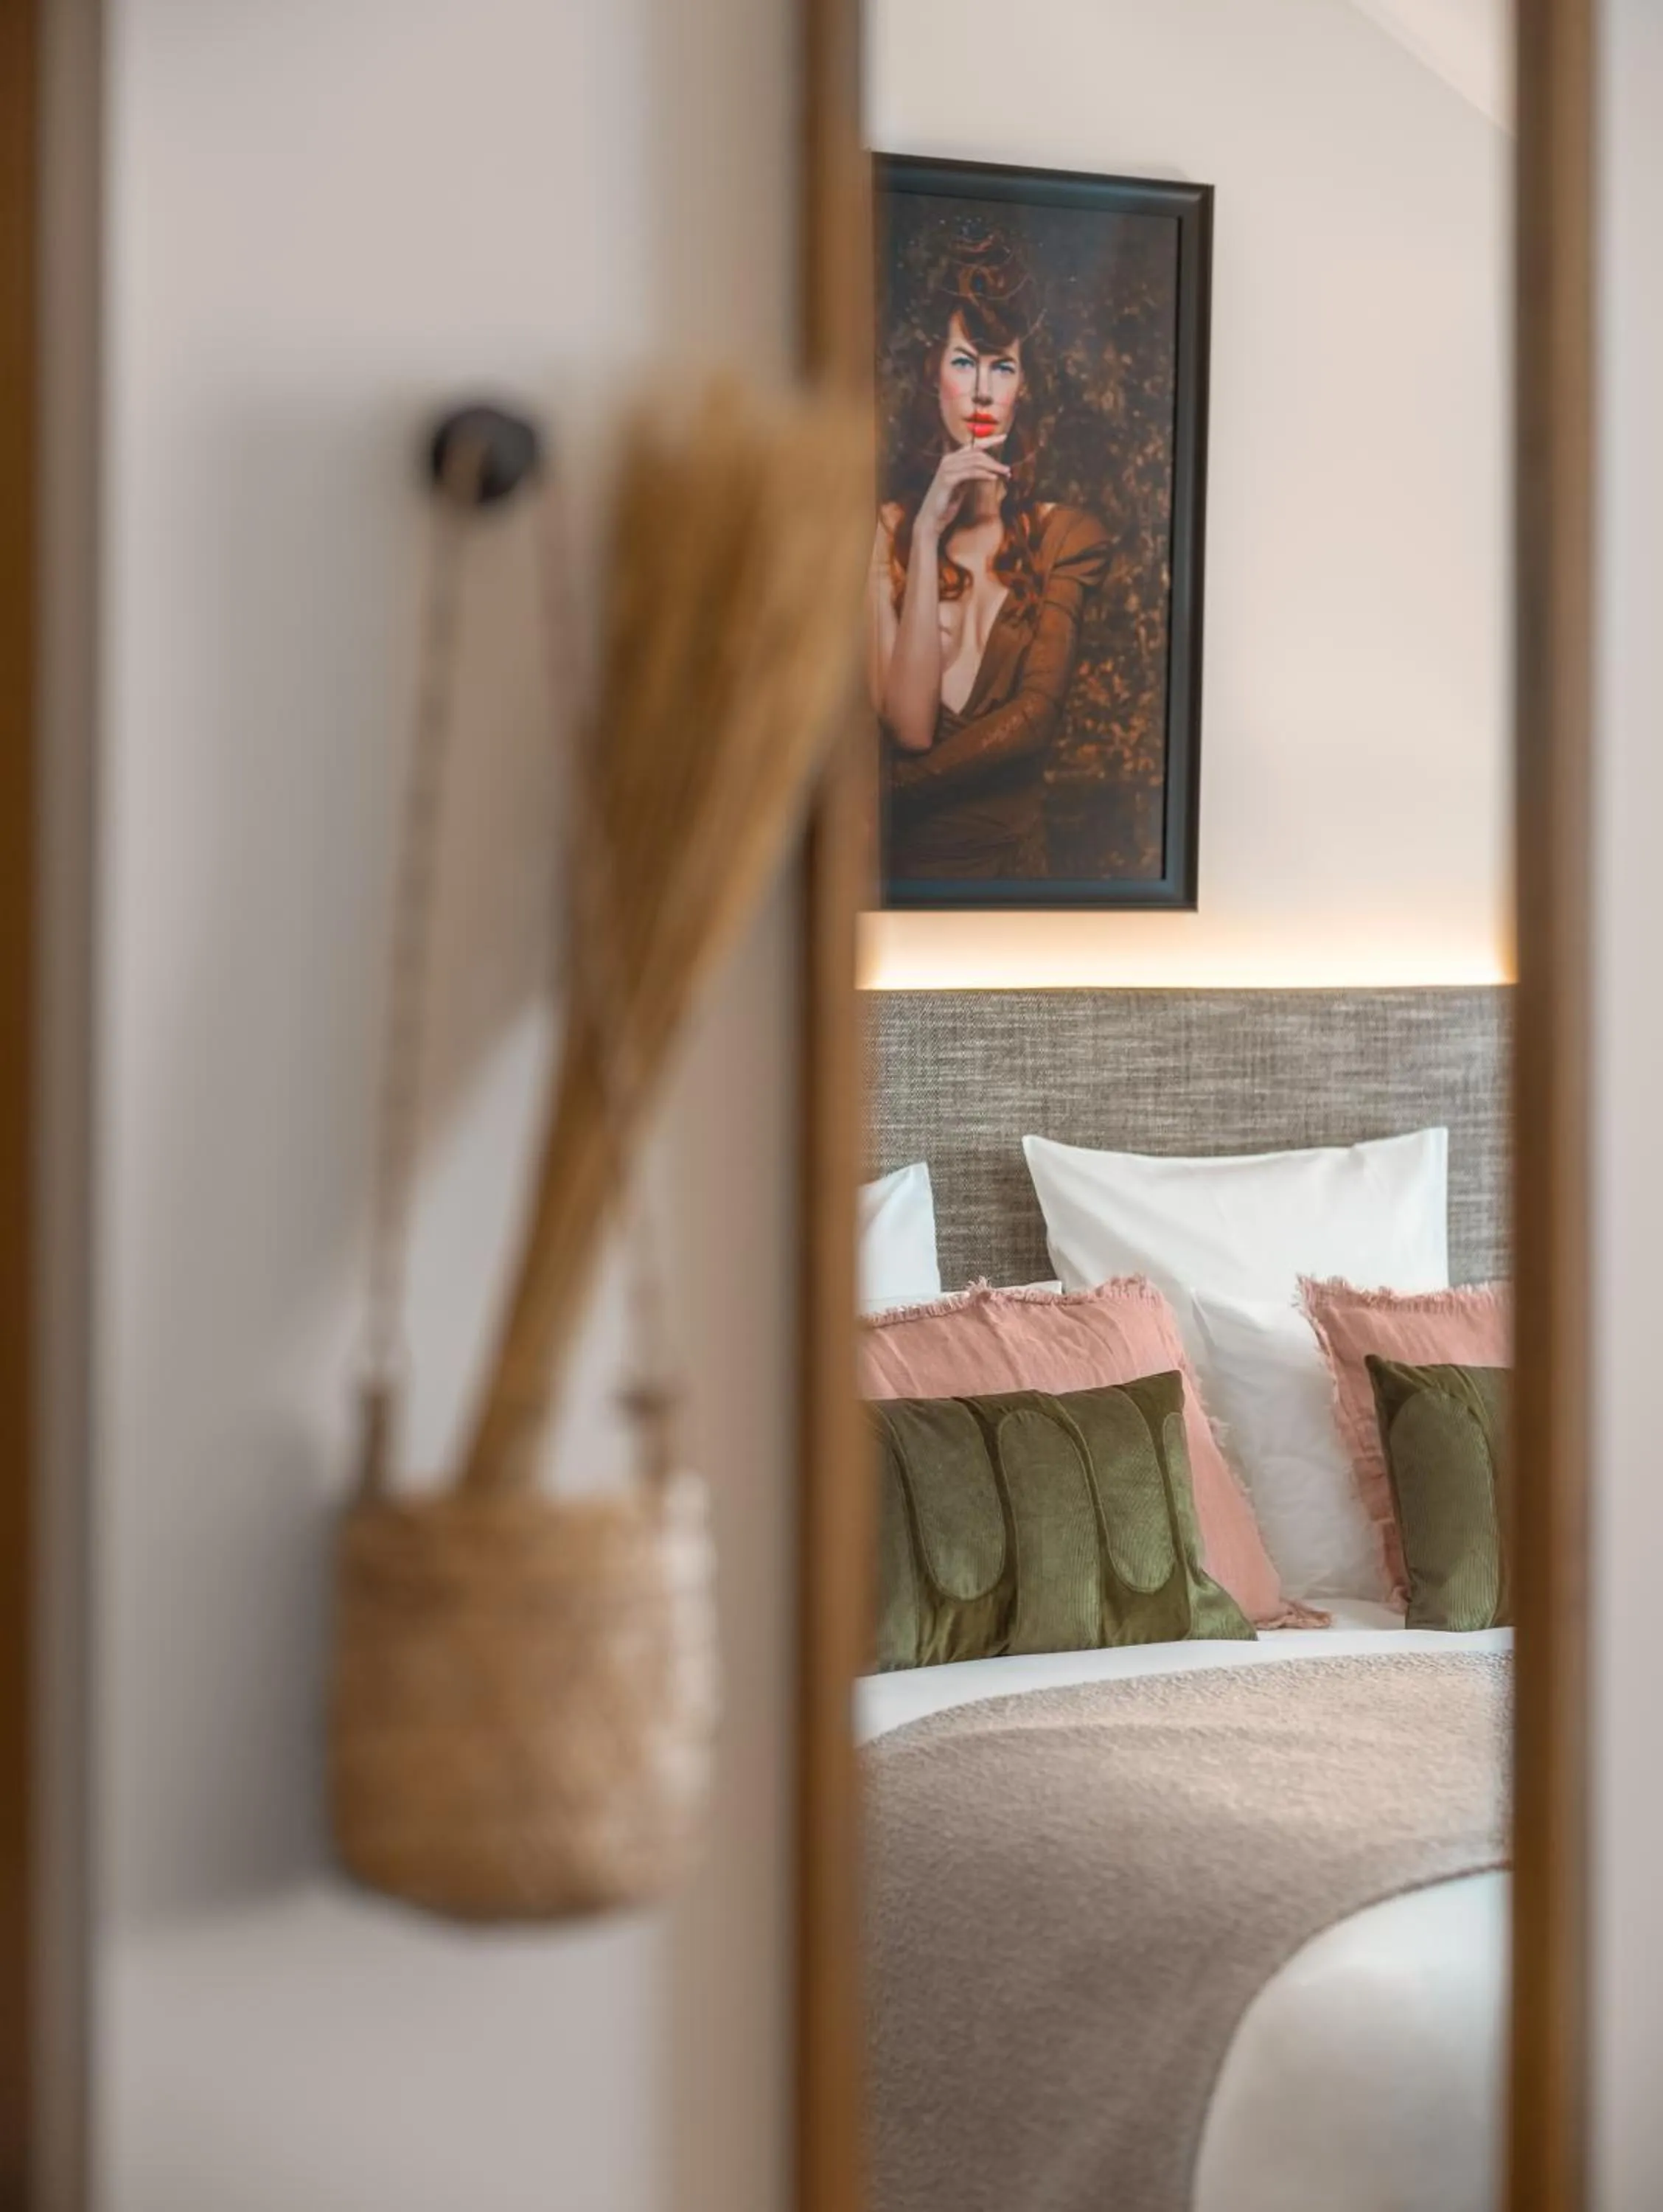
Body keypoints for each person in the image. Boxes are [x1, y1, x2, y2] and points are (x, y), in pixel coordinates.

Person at [868, 220, 1111, 883]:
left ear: (1022, 388)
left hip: (1014, 890)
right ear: (933, 373)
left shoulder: (1067, 536)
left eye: (1002, 365)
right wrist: (923, 536)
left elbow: (1033, 719)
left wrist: (880, 798)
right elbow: (912, 730)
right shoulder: (885, 531)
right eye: (963, 362)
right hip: (905, 884)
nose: (981, 389)